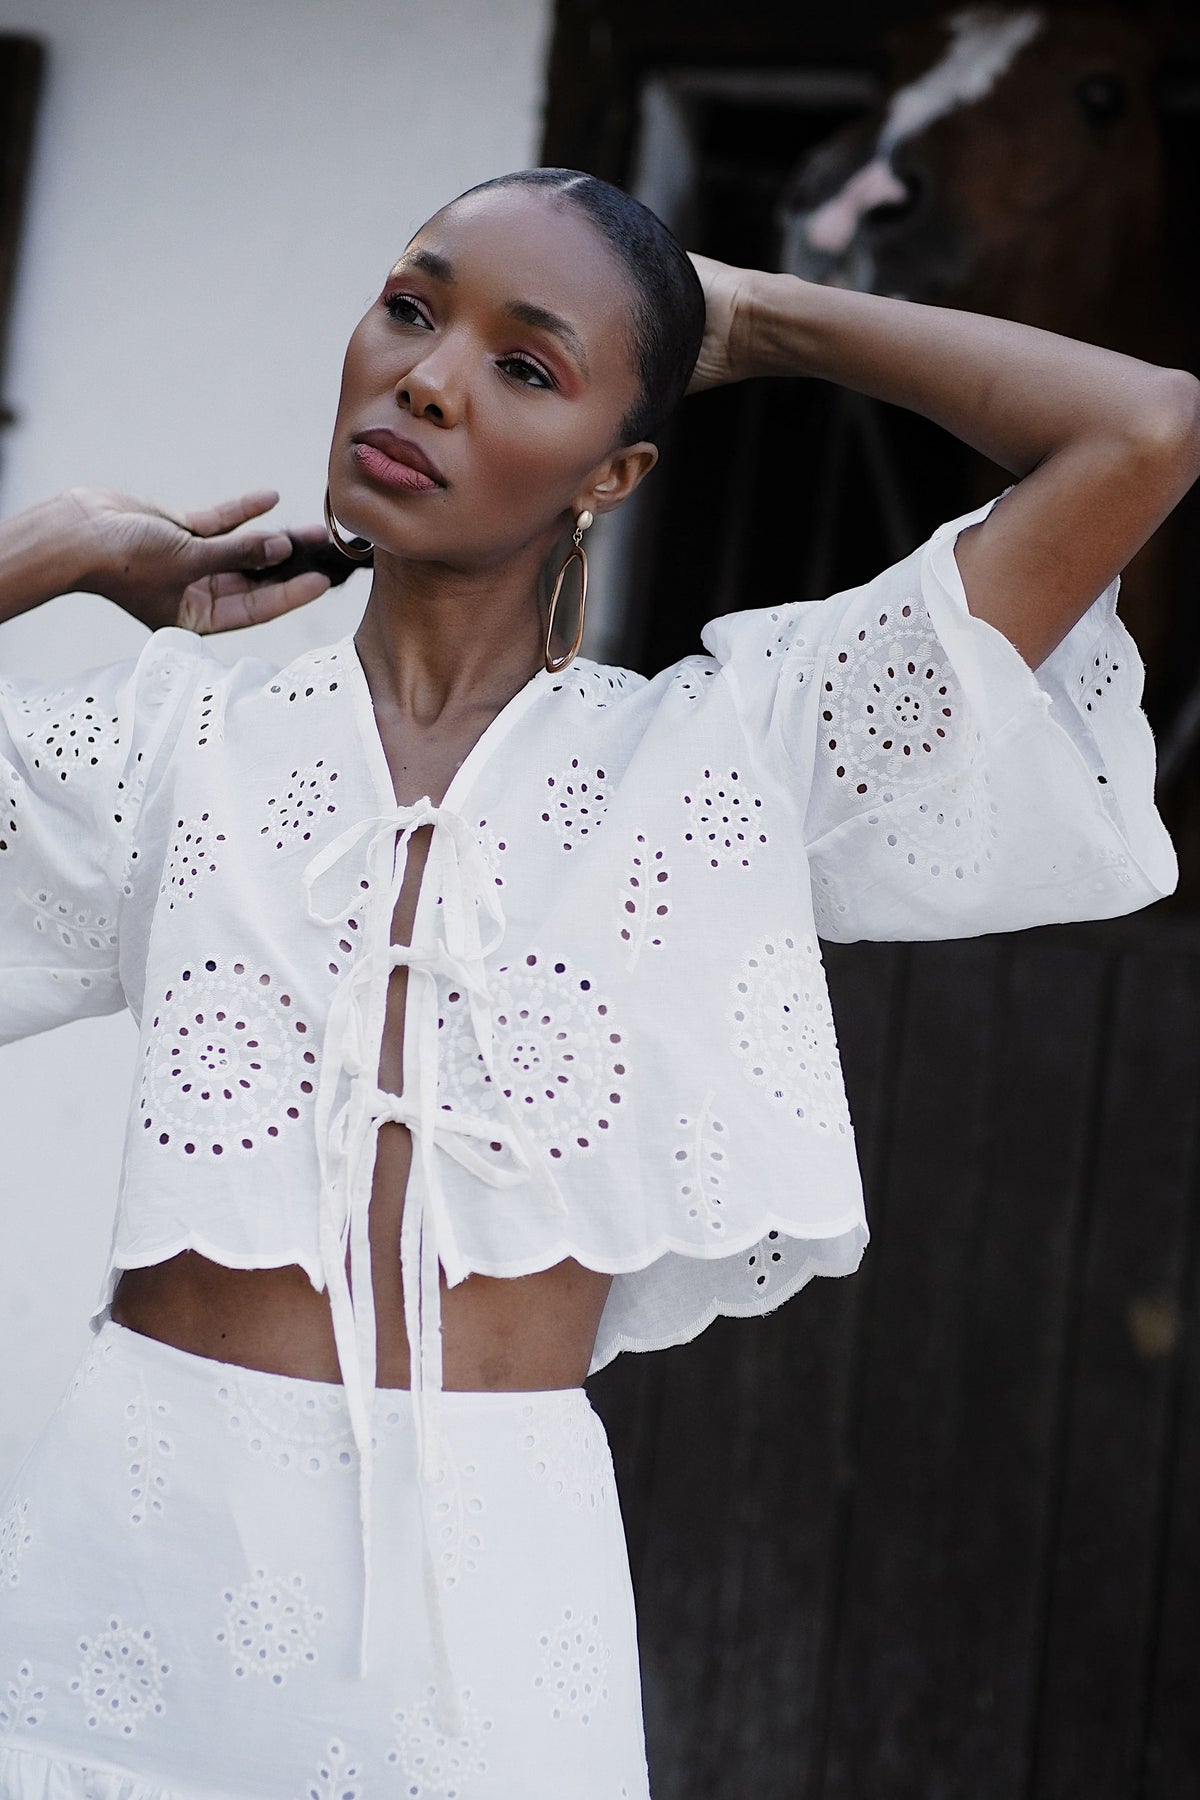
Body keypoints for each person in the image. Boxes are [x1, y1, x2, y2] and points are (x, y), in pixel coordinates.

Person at [0, 165, 1194, 1799]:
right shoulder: (165, 744)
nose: (426, 373)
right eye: (413, 308)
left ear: (617, 469)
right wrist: (53, 552)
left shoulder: (734, 758)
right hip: (121, 1558)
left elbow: (1141, 432)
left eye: (527, 362)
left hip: (493, 1598)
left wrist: (753, 312)